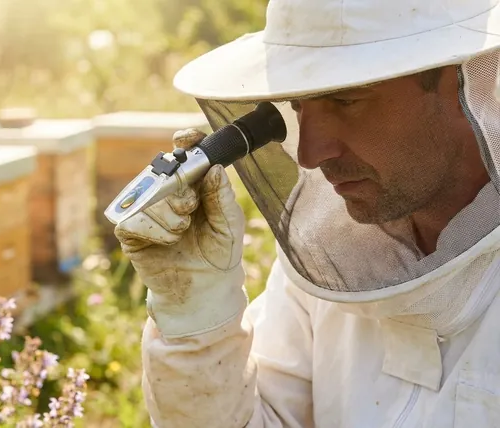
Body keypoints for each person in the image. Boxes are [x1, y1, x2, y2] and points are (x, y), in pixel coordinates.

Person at [113, 0, 500, 427]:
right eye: (298, 107)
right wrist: (196, 318)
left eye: (347, 101)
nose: (310, 154)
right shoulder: (331, 253)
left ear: (464, 81)